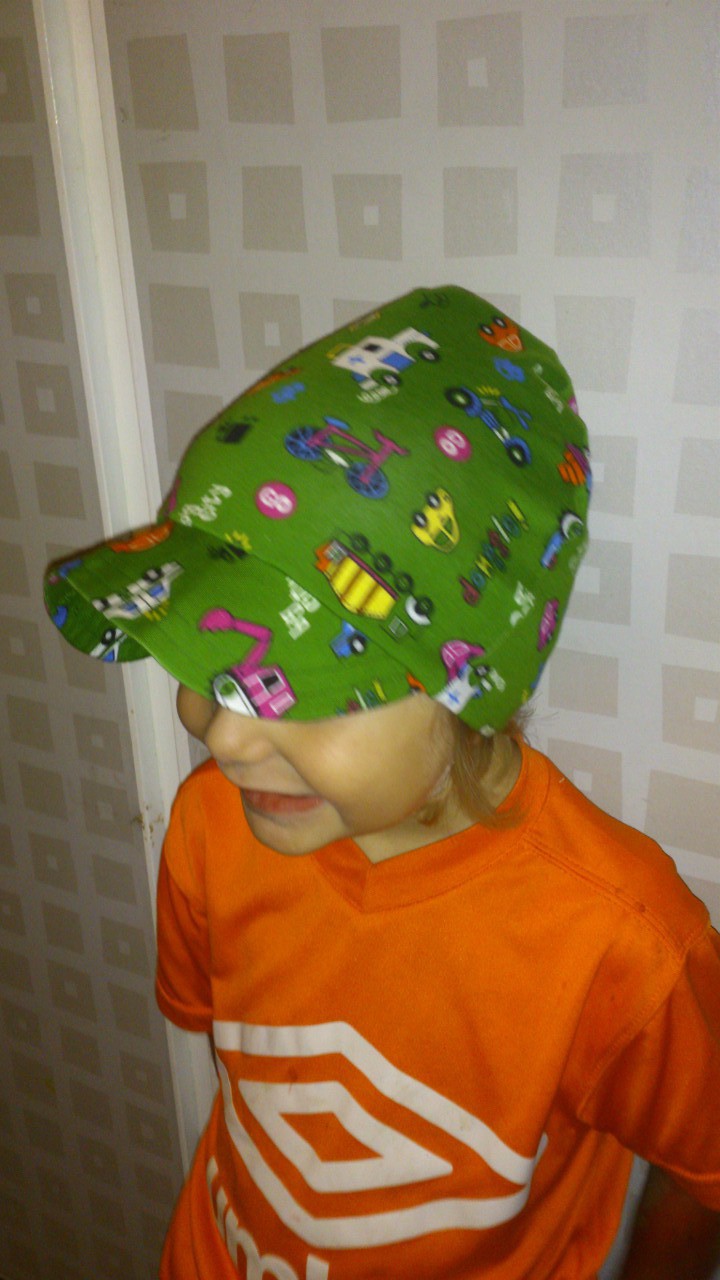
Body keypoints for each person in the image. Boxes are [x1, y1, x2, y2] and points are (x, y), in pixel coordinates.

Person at [44, 286, 720, 1279]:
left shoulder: (621, 947)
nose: (222, 734)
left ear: (474, 684)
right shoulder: (211, 825)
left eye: (305, 690)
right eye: (212, 657)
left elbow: (705, 1170)